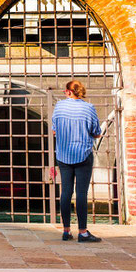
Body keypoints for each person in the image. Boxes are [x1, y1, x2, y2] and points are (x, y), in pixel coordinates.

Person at [52, 80, 102, 243]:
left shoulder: (59, 107)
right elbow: (96, 133)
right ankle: (82, 232)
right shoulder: (89, 108)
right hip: (83, 154)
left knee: (66, 192)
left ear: (68, 92)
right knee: (81, 193)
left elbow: (54, 130)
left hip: (63, 155)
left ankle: (66, 231)